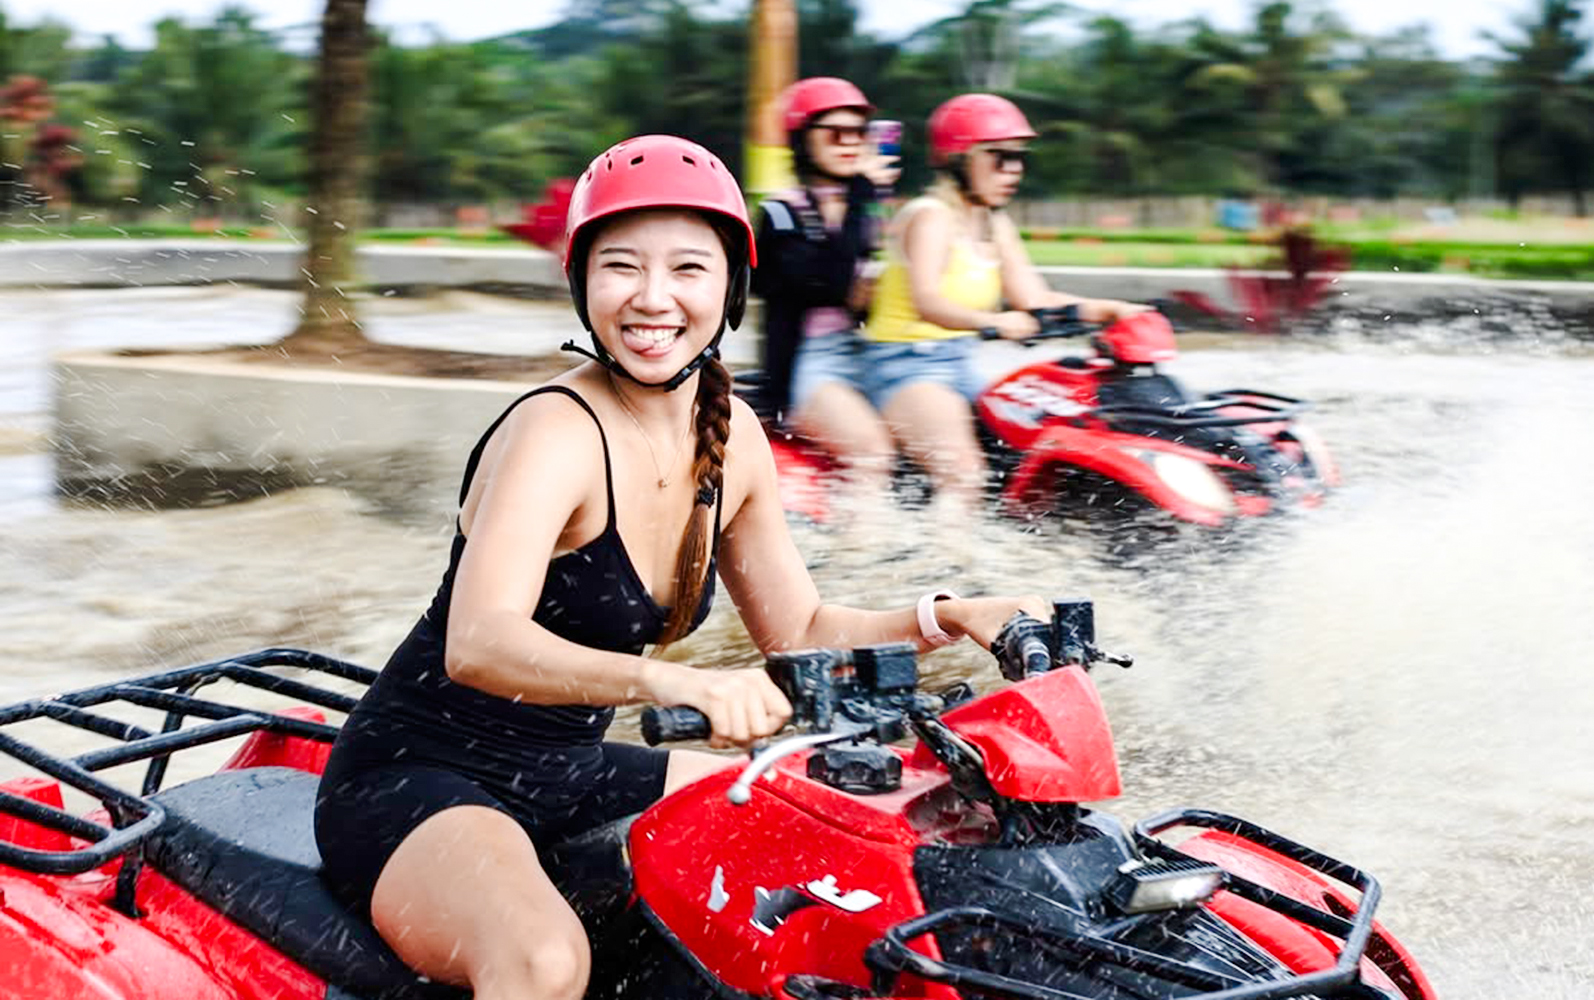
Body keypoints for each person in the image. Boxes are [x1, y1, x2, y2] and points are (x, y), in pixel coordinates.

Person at [313, 134, 1048, 1000]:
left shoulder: (731, 437)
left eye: (688, 270)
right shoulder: (554, 433)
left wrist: (950, 617)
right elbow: (480, 643)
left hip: (572, 772)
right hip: (422, 780)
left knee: (830, 827)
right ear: (583, 283)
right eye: (621, 266)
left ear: (730, 287)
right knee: (546, 965)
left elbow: (803, 632)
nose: (653, 299)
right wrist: (675, 686)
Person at [860, 94, 1148, 517]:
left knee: (1033, 442)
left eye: (1018, 158)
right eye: (999, 157)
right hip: (903, 364)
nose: (1013, 170)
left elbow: (1035, 299)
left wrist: (1116, 310)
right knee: (963, 475)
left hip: (959, 362)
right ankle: (936, 575)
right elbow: (928, 301)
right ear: (959, 159)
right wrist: (992, 322)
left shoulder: (994, 222)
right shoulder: (930, 216)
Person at [753, 76, 899, 494]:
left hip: (868, 351)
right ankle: (860, 557)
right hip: (807, 365)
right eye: (837, 133)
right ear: (803, 140)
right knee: (872, 453)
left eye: (860, 133)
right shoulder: (781, 213)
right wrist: (861, 195)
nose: (852, 143)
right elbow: (833, 284)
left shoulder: (865, 208)